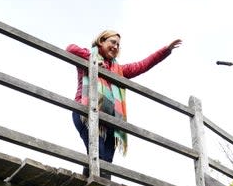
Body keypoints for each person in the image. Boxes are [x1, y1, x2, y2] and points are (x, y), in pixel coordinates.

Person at [67, 31, 181, 174]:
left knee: (106, 164)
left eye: (118, 45)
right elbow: (70, 48)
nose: (115, 46)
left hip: (110, 121)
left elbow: (142, 65)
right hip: (86, 113)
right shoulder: (88, 57)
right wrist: (93, 61)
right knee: (97, 155)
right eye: (112, 42)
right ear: (101, 41)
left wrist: (166, 50)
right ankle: (89, 185)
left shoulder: (119, 70)